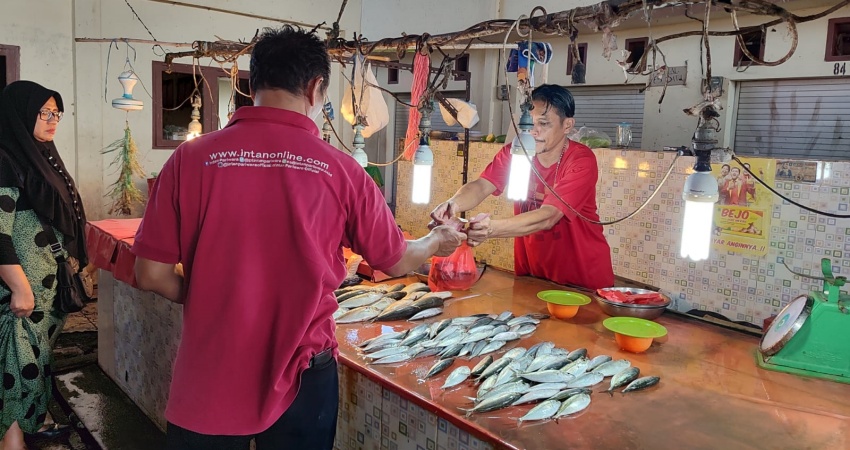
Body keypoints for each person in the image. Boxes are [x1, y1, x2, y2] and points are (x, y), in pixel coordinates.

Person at [131, 26, 466, 450]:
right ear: (315, 87)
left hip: (210, 371)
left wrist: (211, 296)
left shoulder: (190, 159)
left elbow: (150, 274)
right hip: (303, 375)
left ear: (253, 84)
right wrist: (437, 240)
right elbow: (396, 260)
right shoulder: (343, 171)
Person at [430, 84, 614, 290]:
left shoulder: (581, 160)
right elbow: (482, 185)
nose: (534, 132)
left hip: (581, 279)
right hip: (533, 273)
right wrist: (452, 204)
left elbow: (549, 216)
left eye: (544, 124)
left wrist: (490, 229)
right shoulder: (515, 151)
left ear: (567, 125)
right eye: (529, 124)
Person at [1, 81, 87, 449]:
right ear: (22, 115)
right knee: (16, 369)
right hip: (23, 294)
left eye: (57, 113)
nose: (53, 120)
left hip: (49, 293)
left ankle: (31, 426)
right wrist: (19, 287)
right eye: (44, 112)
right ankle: (12, 440)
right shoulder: (4, 160)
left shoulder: (43, 157)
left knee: (37, 365)